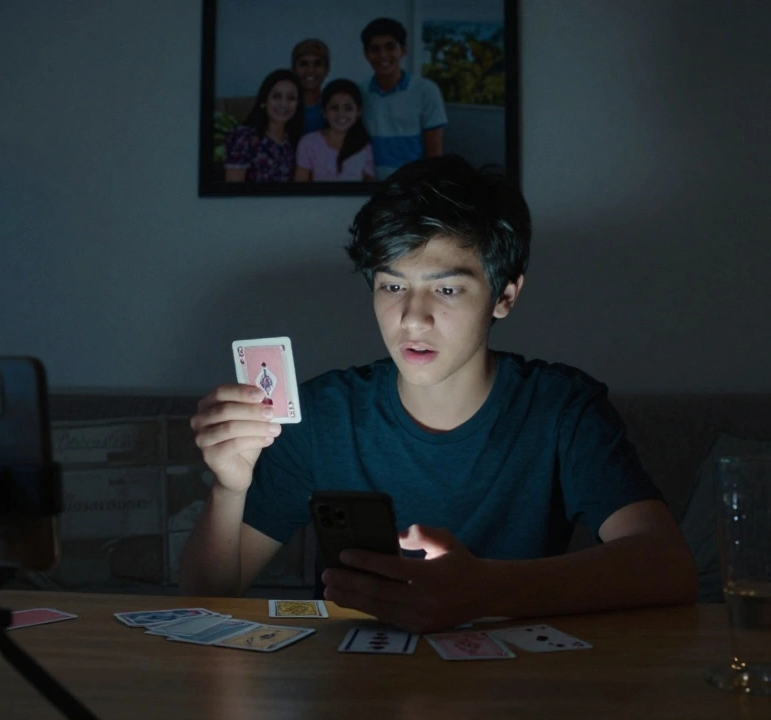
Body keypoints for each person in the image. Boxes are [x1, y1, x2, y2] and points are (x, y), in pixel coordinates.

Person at [179, 155, 698, 634]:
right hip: (354, 687)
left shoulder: (561, 408)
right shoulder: (321, 415)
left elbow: (667, 565)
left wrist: (486, 591)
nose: (412, 318)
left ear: (505, 297)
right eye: (392, 286)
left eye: (446, 290)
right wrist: (229, 487)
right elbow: (209, 597)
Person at [358, 17, 447, 180]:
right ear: (366, 54)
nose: (382, 55)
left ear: (403, 50)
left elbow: (434, 155)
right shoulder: (360, 93)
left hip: (412, 188)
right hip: (370, 189)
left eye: (390, 47)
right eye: (374, 49)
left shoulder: (426, 90)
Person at [222, 69, 304, 183]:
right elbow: (232, 191)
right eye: (276, 96)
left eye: (291, 98)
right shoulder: (244, 137)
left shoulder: (295, 142)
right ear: (264, 101)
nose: (284, 104)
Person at [294, 79, 375, 182]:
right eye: (334, 108)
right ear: (324, 112)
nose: (341, 114)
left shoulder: (364, 146)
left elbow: (369, 186)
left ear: (358, 111)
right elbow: (300, 187)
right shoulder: (308, 143)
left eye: (348, 108)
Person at [290, 38, 330, 135]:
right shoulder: (284, 107)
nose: (311, 70)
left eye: (317, 64)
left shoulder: (334, 107)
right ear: (293, 69)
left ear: (327, 69)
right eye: (304, 64)